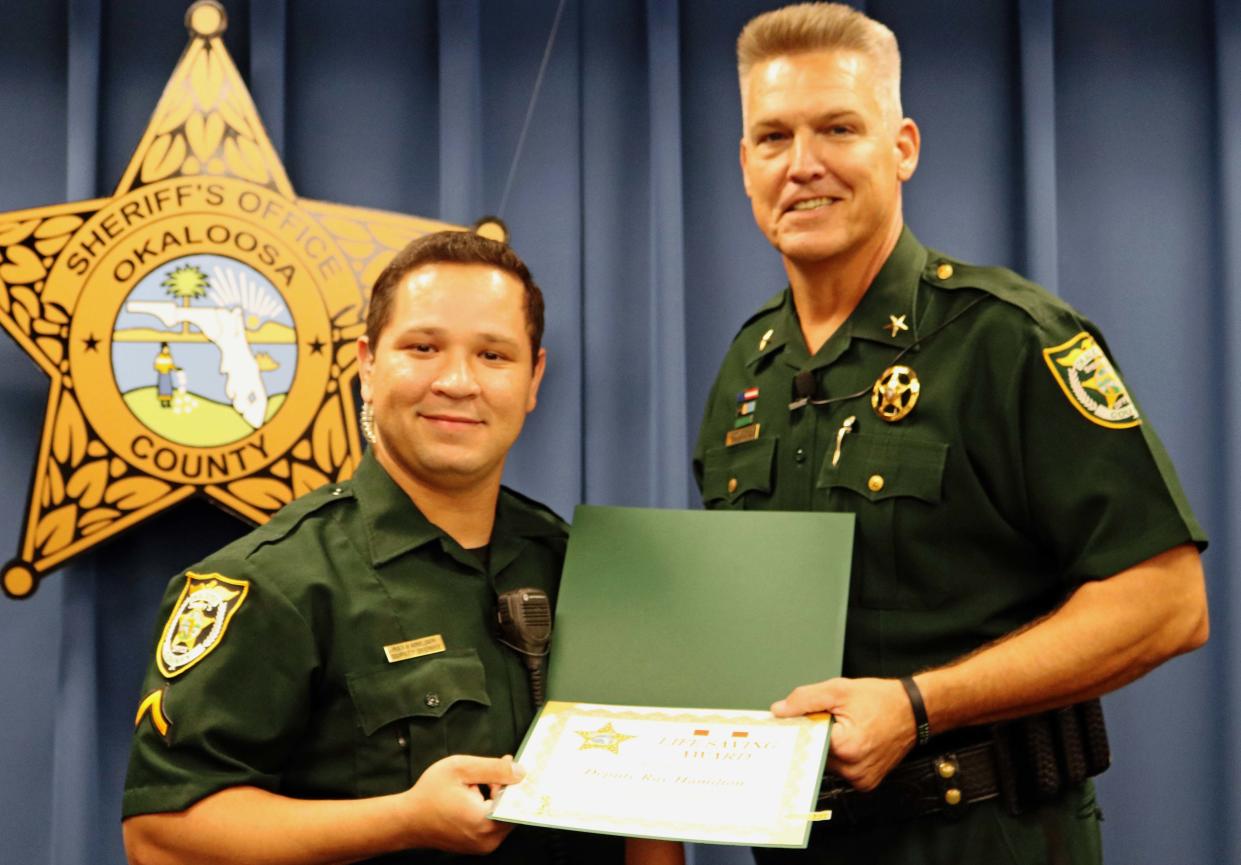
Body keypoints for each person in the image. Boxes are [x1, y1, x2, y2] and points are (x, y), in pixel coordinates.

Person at [686, 3, 1208, 863]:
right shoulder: (749, 367)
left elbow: (1165, 604)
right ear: (745, 164)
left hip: (986, 833)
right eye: (772, 137)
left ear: (903, 148)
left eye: (838, 128)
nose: (802, 164)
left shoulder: (1008, 337)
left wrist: (919, 703)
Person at [123, 231, 620, 865]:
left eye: (494, 356)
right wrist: (404, 820)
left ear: (533, 378)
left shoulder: (585, 568)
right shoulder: (276, 583)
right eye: (423, 347)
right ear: (367, 364)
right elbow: (161, 837)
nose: (458, 381)